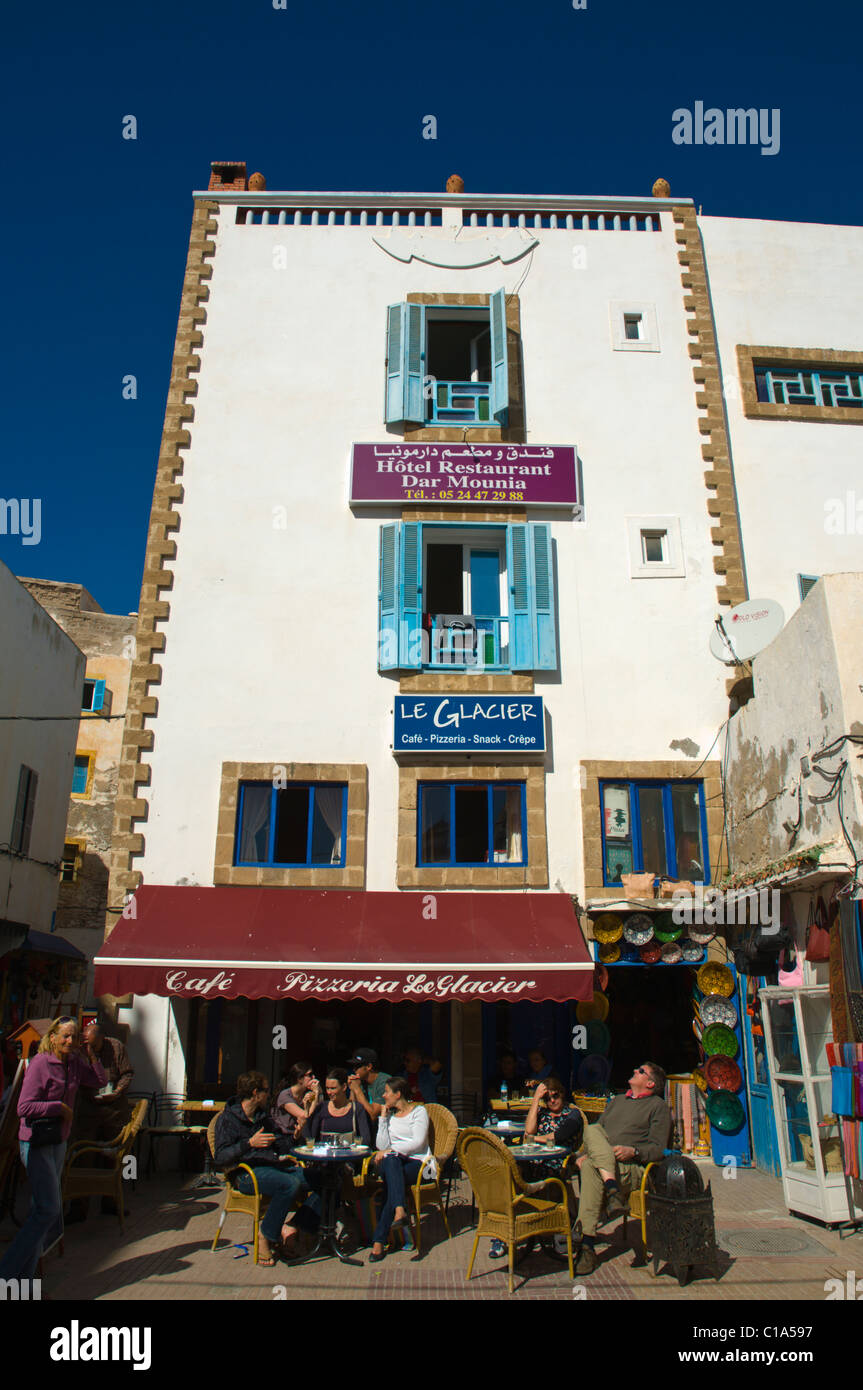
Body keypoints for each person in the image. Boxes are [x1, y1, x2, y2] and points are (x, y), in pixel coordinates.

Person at [0, 1016, 106, 1284]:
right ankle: (7, 1274)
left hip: (58, 1141)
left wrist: (92, 1054)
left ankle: (26, 1283)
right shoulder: (40, 1064)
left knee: (41, 1211)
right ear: (54, 1037)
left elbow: (100, 1080)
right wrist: (58, 1108)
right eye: (65, 1036)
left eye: (74, 1036)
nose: (70, 1041)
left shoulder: (73, 1064)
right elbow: (23, 1107)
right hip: (36, 1142)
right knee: (48, 1210)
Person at [573, 1062, 672, 1275]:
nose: (635, 1070)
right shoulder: (617, 1101)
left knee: (591, 1166)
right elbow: (597, 1134)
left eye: (641, 1071)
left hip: (631, 1167)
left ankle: (587, 1246)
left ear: (650, 1083)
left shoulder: (658, 1106)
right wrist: (583, 1154)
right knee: (592, 1129)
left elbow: (658, 1149)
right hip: (607, 1164)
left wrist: (633, 1151)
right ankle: (612, 1191)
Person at [214, 1070, 314, 1266]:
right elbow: (220, 1157)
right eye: (266, 1090)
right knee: (289, 1184)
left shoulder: (263, 1118)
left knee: (322, 1178)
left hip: (271, 1167)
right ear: (254, 1092)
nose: (269, 1094)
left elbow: (279, 1145)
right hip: (245, 1173)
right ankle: (265, 1235)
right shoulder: (227, 1119)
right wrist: (249, 1143)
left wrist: (295, 1136)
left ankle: (293, 1226)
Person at [67, 1021, 136, 1220]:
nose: (91, 1049)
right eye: (88, 1044)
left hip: (113, 1109)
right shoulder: (80, 1051)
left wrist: (117, 1092)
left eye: (95, 1045)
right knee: (83, 1156)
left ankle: (111, 1201)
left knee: (114, 1156)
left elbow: (127, 1073)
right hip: (89, 1108)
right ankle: (79, 1205)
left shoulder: (115, 1047)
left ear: (102, 1039)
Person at [367, 1077, 435, 1263]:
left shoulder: (419, 1111)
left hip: (421, 1165)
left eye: (387, 1091)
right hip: (395, 1163)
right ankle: (399, 1210)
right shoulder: (390, 1116)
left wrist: (392, 1151)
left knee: (391, 1177)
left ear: (398, 1094)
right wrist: (382, 1118)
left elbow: (419, 1142)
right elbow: (382, 1145)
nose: (383, 1095)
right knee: (391, 1162)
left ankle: (378, 1242)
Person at [306, 1068, 373, 1148]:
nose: (329, 1092)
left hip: (350, 1157)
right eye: (327, 1088)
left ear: (344, 1087)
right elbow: (311, 1138)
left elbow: (365, 1140)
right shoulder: (321, 1108)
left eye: (333, 1088)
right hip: (325, 1157)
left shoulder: (357, 1108)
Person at [273, 1061, 321, 1138]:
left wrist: (317, 1094)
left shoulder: (307, 1094)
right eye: (310, 1075)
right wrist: (316, 1092)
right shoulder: (285, 1095)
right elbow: (306, 1116)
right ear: (299, 1079)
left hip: (301, 1136)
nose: (313, 1078)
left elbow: (316, 1110)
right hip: (285, 1137)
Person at [346, 1048, 391, 1123]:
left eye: (357, 1066)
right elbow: (351, 1114)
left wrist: (357, 1089)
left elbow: (373, 1116)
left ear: (369, 1066)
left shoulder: (384, 1082)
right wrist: (352, 1089)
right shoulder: (360, 1082)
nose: (354, 1070)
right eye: (353, 1066)